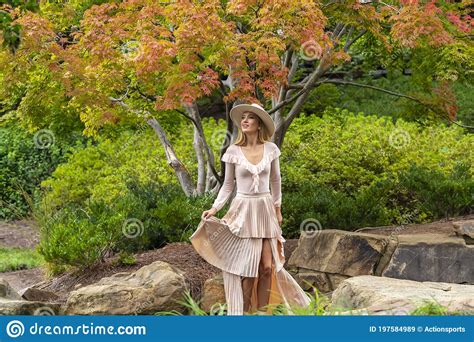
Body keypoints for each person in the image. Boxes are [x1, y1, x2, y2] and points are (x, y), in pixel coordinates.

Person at [190, 103, 311, 315]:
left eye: (250, 118)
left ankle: (262, 315)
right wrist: (215, 208)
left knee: (266, 267)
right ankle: (244, 315)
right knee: (248, 270)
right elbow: (228, 185)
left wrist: (278, 208)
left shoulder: (271, 149)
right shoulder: (233, 151)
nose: (244, 121)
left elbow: (275, 179)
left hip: (264, 210)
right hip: (242, 211)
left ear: (259, 124)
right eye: (243, 118)